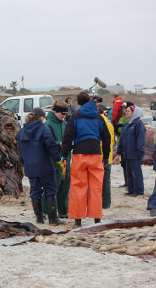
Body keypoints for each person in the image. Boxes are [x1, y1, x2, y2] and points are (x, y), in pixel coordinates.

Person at [62, 91, 111, 228]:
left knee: (78, 186)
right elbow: (106, 138)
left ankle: (78, 221)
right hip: (96, 155)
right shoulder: (99, 118)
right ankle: (97, 220)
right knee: (96, 188)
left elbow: (68, 137)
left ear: (78, 103)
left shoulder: (75, 117)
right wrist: (106, 156)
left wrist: (64, 155)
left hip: (80, 155)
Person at [17, 107, 65, 226]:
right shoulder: (44, 129)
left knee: (35, 191)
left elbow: (20, 150)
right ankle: (53, 219)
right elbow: (51, 146)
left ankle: (39, 218)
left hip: (30, 167)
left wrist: (23, 164)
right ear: (41, 117)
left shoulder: (22, 131)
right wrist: (58, 160)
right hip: (44, 165)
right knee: (50, 189)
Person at [42, 100, 71, 218]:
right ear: (56, 112)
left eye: (66, 114)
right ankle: (45, 211)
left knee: (65, 187)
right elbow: (45, 142)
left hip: (66, 159)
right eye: (62, 114)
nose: (64, 116)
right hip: (54, 161)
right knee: (53, 186)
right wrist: (59, 144)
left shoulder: (65, 124)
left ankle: (63, 211)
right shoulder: (48, 124)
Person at [116, 105, 145, 197]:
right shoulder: (127, 124)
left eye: (128, 111)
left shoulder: (138, 124)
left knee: (136, 172)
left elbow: (140, 139)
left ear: (134, 113)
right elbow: (122, 138)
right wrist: (119, 149)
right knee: (128, 172)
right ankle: (131, 189)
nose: (126, 112)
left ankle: (139, 190)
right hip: (126, 152)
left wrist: (140, 151)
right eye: (126, 111)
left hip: (135, 153)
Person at [98, 103, 115, 209]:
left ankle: (100, 202)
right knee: (106, 180)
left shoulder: (99, 123)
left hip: (99, 155)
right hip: (107, 156)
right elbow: (112, 140)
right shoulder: (109, 123)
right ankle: (106, 203)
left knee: (98, 181)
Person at [116, 101, 134, 188]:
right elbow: (119, 132)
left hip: (128, 146)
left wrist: (120, 128)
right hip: (121, 144)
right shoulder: (122, 119)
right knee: (123, 163)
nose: (123, 110)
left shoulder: (131, 119)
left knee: (129, 165)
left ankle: (131, 182)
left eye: (125, 108)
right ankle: (126, 181)